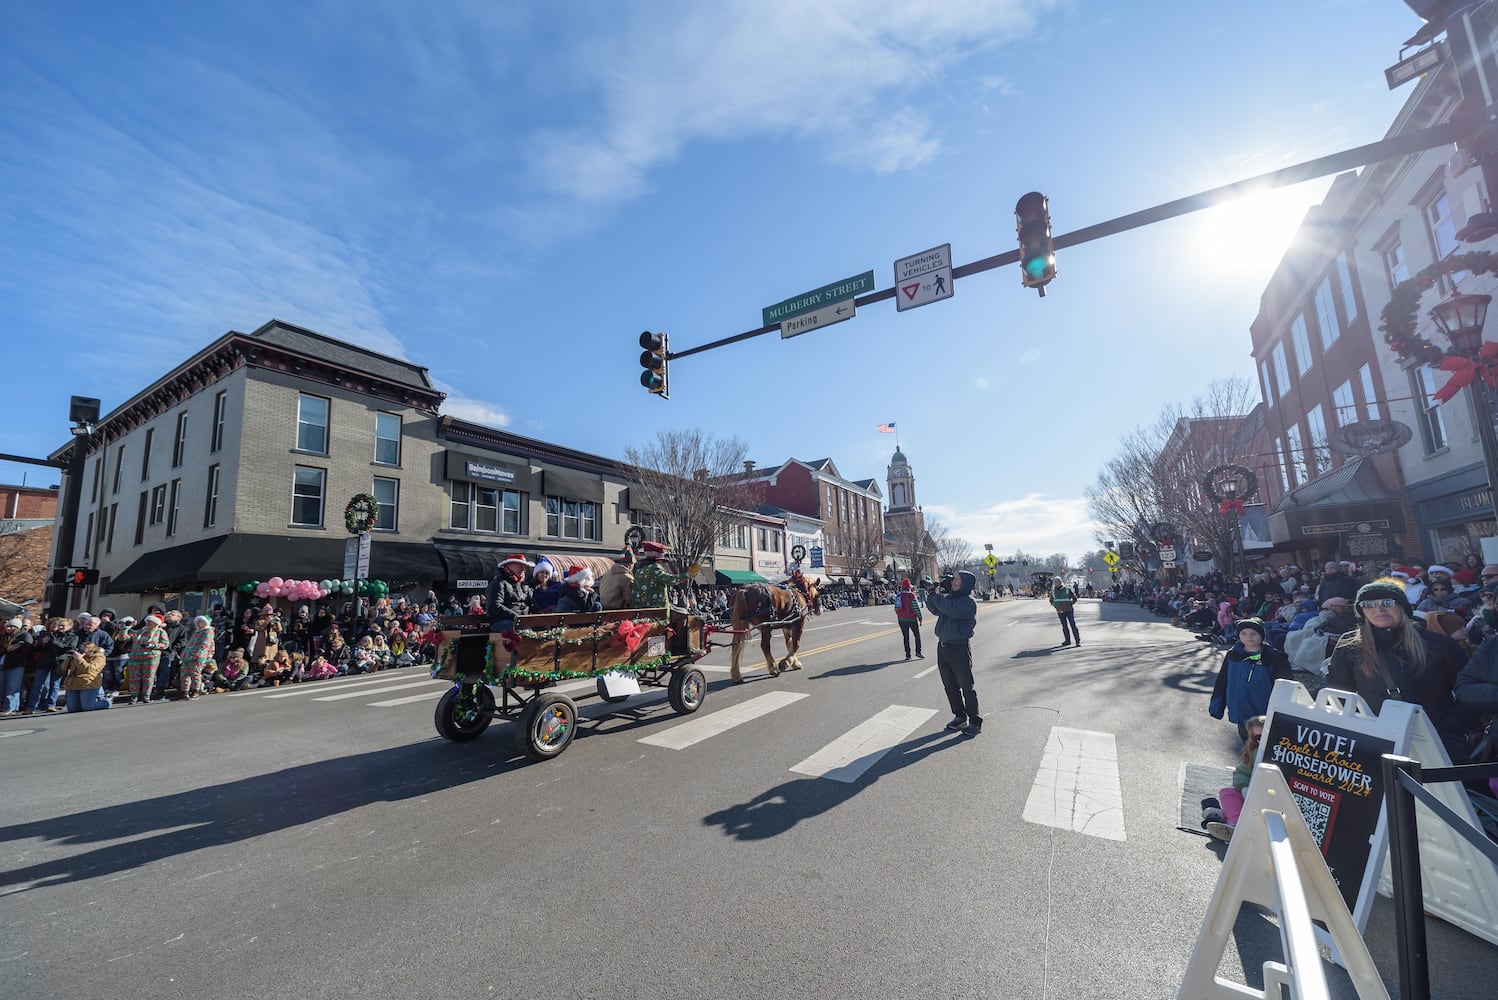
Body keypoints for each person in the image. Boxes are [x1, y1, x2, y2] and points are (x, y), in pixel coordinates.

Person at [1326, 578, 1471, 762]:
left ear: (1402, 607)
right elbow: (1337, 694)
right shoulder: (1350, 646)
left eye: (1387, 602)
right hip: (1379, 745)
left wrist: (1452, 726)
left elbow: (1468, 690)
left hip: (1438, 742)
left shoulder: (1437, 644)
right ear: (1361, 611)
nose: (1379, 609)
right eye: (1368, 604)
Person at [1209, 619, 1291, 740]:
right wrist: (1217, 706)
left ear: (1262, 635)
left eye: (1254, 633)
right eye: (1244, 633)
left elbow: (1286, 688)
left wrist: (1283, 714)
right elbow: (1223, 681)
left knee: (1261, 745)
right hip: (1240, 710)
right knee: (1246, 742)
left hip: (1262, 712)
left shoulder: (1274, 658)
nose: (1249, 637)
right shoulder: (1233, 656)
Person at [925, 570, 981, 735]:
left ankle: (975, 721)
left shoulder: (967, 602)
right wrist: (931, 593)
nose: (953, 582)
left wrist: (936, 595)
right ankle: (959, 717)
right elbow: (935, 609)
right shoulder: (949, 599)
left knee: (966, 686)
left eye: (956, 580)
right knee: (949, 685)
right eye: (953, 580)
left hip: (959, 647)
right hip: (943, 647)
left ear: (965, 583)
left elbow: (949, 609)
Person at [1200, 715, 1266, 842]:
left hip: (1265, 799)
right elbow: (1241, 773)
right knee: (1227, 793)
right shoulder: (1254, 752)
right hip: (1249, 795)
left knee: (1224, 806)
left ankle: (1221, 816)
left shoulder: (1280, 754)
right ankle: (1233, 824)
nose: (1261, 740)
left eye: (1265, 736)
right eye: (1257, 737)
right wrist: (1244, 787)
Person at [125, 614, 171, 705]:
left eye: (151, 621)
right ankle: (134, 696)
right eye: (147, 621)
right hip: (135, 657)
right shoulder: (139, 631)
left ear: (156, 623)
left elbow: (165, 645)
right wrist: (125, 628)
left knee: (148, 677)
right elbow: (124, 638)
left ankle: (146, 696)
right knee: (134, 678)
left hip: (151, 658)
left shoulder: (160, 632)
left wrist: (152, 645)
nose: (148, 623)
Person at [60, 641, 112, 712]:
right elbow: (63, 668)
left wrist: (79, 659)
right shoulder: (77, 657)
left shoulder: (99, 657)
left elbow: (89, 669)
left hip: (88, 684)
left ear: (91, 650)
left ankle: (106, 702)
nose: (81, 651)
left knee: (87, 707)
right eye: (80, 649)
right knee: (73, 709)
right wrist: (70, 658)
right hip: (73, 684)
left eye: (84, 649)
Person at [1, 617, 35, 716]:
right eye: (7, 626)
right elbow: (4, 649)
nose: (9, 628)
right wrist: (7, 648)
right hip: (3, 665)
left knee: (13, 687)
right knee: (2, 687)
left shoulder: (25, 635)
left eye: (12, 626)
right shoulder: (3, 637)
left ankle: (10, 707)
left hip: (16, 665)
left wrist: (14, 650)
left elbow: (27, 650)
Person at [631, 541, 681, 609]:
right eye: (661, 560)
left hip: (640, 609)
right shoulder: (655, 569)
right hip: (656, 611)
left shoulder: (639, 571)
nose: (662, 562)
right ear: (657, 560)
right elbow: (671, 580)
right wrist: (688, 574)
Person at [178, 615, 216, 700]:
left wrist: (195, 654)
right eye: (197, 621)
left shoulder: (208, 631)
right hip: (187, 656)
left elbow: (204, 645)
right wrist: (184, 654)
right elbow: (189, 644)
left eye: (201, 621)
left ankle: (196, 691)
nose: (199, 623)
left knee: (195, 674)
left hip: (198, 657)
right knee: (185, 674)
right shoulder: (196, 632)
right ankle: (185, 691)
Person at [893, 579, 924, 660]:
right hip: (912, 619)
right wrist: (920, 617)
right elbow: (916, 607)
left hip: (902, 620)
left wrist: (900, 615)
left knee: (906, 637)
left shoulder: (899, 595)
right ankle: (918, 652)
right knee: (917, 636)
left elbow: (896, 608)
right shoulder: (912, 595)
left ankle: (908, 654)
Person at [1050, 578, 1080, 647]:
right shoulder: (1053, 591)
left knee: (1072, 625)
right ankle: (1067, 640)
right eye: (1055, 582)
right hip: (1060, 611)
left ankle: (1077, 641)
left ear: (1061, 582)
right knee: (1064, 625)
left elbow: (1074, 598)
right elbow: (1051, 600)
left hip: (1068, 610)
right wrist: (1055, 606)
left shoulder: (1067, 589)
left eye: (1058, 581)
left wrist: (1070, 604)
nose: (1056, 583)